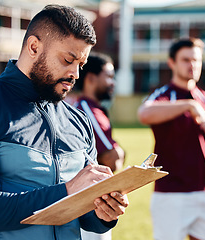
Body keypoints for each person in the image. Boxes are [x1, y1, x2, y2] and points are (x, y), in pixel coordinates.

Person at [0, 5, 128, 240]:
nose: (75, 74)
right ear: (33, 47)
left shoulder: (79, 121)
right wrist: (67, 191)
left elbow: (86, 218)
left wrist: (105, 212)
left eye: (80, 65)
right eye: (68, 60)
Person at [137, 37, 205, 240]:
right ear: (172, 63)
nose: (192, 65)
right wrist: (188, 105)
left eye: (196, 60)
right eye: (186, 60)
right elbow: (144, 113)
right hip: (171, 193)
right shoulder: (163, 96)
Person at [75, 53, 125, 240]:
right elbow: (112, 159)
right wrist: (119, 151)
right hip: (89, 203)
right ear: (91, 78)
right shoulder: (86, 110)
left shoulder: (94, 108)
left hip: (96, 201)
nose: (113, 82)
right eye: (109, 76)